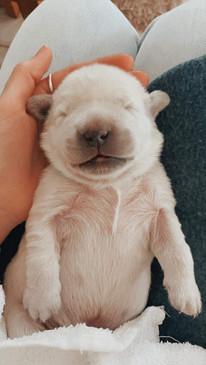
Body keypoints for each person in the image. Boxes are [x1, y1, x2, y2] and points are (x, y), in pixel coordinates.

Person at [0, 0, 205, 346]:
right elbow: (43, 229)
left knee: (74, 8)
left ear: (152, 112)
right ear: (45, 121)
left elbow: (164, 226)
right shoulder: (57, 180)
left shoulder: (151, 177)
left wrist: (181, 276)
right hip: (35, 323)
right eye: (66, 114)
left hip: (128, 328)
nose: (95, 132)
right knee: (194, 21)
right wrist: (41, 281)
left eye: (125, 107)